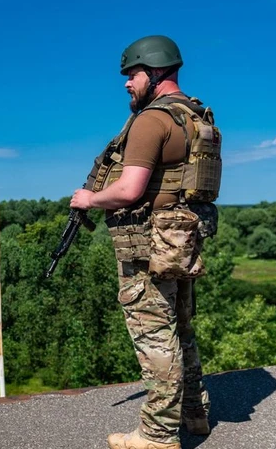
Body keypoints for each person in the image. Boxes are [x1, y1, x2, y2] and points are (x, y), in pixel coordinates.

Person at [69, 35, 223, 449]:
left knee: (156, 337)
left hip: (148, 247)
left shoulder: (151, 121)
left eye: (132, 75)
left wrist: (89, 198)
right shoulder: (195, 117)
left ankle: (156, 435)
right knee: (183, 331)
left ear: (154, 72)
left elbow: (128, 190)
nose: (126, 84)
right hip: (181, 240)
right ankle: (195, 412)